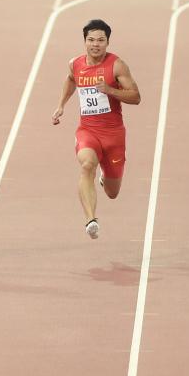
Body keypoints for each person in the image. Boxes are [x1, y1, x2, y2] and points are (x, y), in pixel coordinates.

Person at [52, 19, 142, 239]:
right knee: (87, 164)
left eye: (101, 40)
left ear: (107, 42)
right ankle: (91, 220)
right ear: (85, 41)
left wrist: (110, 90)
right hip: (88, 131)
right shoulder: (75, 64)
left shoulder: (117, 65)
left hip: (114, 135)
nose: (95, 44)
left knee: (112, 192)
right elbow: (71, 80)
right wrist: (61, 105)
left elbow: (136, 97)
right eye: (91, 40)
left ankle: (105, 176)